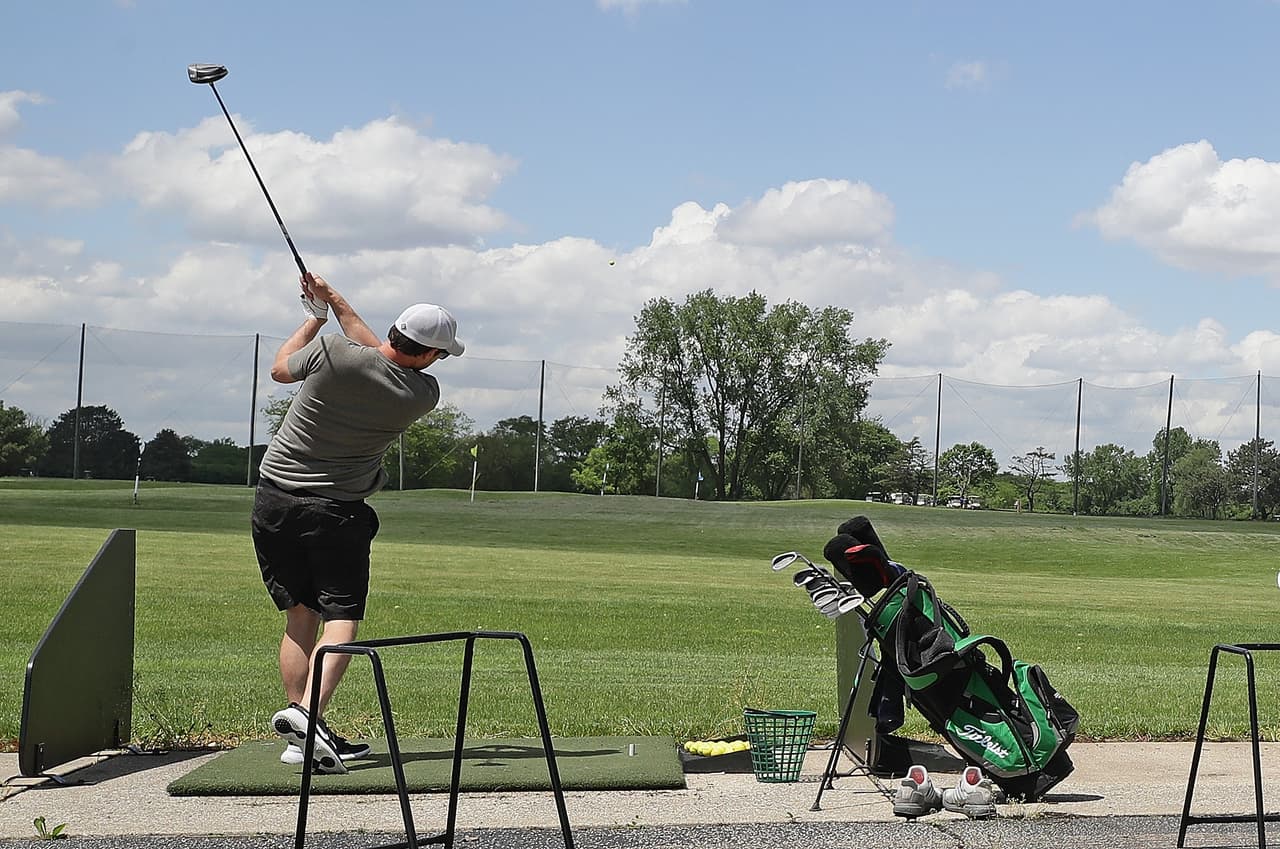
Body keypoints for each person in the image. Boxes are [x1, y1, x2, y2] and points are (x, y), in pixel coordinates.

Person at [251, 273, 464, 774]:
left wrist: (316, 314)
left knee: (300, 615)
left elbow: (282, 370)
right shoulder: (421, 394)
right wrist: (337, 303)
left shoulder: (330, 353)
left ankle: (302, 737)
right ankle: (306, 715)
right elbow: (379, 357)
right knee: (341, 617)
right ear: (430, 356)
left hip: (273, 500)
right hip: (336, 513)